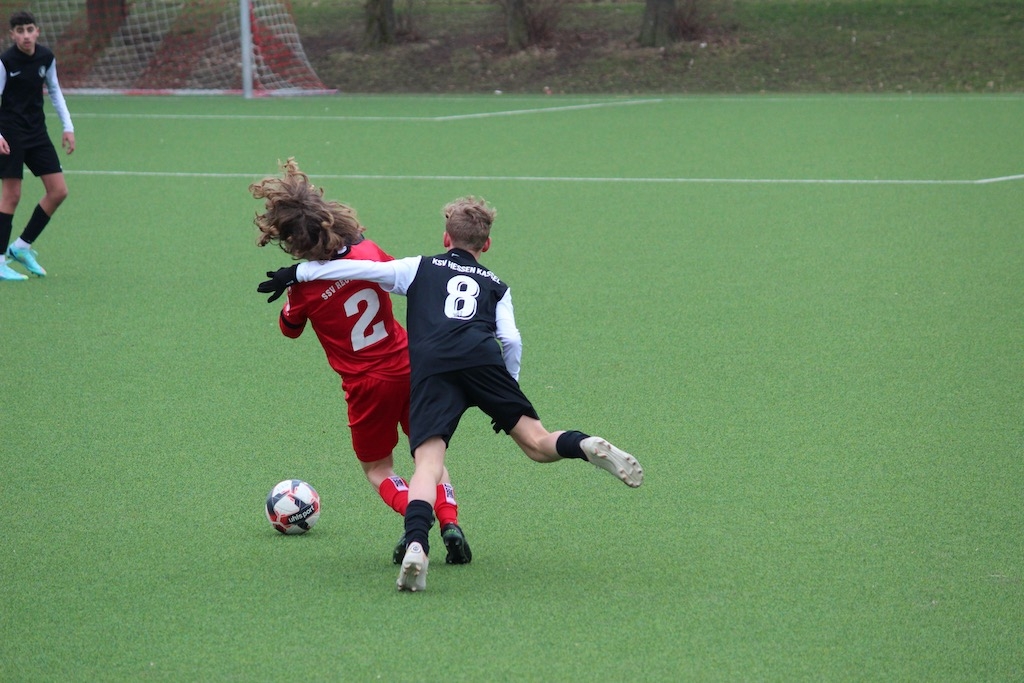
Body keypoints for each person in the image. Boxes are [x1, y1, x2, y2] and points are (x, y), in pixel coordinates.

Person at [258, 196, 644, 592]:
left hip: (403, 376)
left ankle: (417, 539)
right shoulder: (494, 284)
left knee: (409, 465)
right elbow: (511, 340)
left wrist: (298, 274)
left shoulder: (416, 268)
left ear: (446, 237)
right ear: (487, 244)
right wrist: (507, 388)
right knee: (537, 443)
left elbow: (328, 297)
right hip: (458, 364)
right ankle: (580, 446)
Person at [250, 158, 471, 565]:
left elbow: (290, 329)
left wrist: (295, 293)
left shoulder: (303, 287)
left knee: (377, 468)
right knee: (428, 457)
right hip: (412, 366)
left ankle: (415, 516)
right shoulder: (369, 252)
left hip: (367, 385)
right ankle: (450, 522)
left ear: (293, 240)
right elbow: (397, 274)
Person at [0, 10, 75, 281]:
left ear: (37, 31)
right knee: (12, 195)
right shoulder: (5, 61)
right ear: (12, 35)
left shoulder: (46, 57)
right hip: (10, 132)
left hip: (36, 132)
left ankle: (21, 247)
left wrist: (68, 127)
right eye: (20, 31)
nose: (26, 36)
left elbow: (54, 90)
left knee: (58, 191)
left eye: (30, 30)